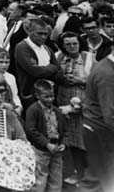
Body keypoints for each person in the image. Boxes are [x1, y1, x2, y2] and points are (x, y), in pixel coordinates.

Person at [55, 31, 90, 184]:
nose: (72, 47)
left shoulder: (89, 58)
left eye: (74, 43)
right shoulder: (59, 57)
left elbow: (96, 82)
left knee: (87, 141)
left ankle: (91, 175)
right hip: (65, 104)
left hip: (85, 105)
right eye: (68, 44)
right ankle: (79, 172)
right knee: (72, 141)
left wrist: (79, 80)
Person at [81, 43, 114, 192]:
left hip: (97, 128)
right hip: (101, 131)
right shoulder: (107, 75)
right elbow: (110, 115)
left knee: (95, 177)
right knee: (107, 179)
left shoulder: (106, 67)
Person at [25, 80, 66, 192]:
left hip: (56, 149)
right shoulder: (33, 110)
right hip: (41, 151)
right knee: (40, 179)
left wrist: (62, 143)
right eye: (46, 97)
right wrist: (46, 144)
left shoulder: (57, 111)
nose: (50, 99)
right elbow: (31, 130)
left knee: (56, 178)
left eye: (52, 96)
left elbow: (63, 129)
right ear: (37, 96)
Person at [15, 17, 61, 112]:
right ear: (30, 32)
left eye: (45, 34)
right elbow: (35, 71)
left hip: (49, 93)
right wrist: (51, 68)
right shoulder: (22, 47)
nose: (43, 37)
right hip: (31, 95)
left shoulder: (47, 48)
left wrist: (48, 69)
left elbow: (58, 68)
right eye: (40, 33)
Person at [0, 47, 22, 116]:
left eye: (7, 62)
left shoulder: (11, 77)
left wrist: (19, 107)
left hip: (11, 109)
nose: (4, 65)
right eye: (1, 62)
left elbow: (15, 96)